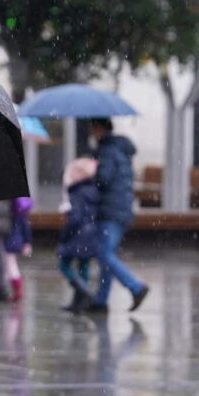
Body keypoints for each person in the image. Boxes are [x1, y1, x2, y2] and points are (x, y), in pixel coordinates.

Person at [87, 118, 150, 313]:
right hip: (121, 209)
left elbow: (103, 180)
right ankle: (101, 300)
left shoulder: (108, 151)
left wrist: (91, 172)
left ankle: (135, 287)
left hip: (110, 210)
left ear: (99, 128)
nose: (90, 132)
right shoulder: (121, 149)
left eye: (92, 128)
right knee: (107, 255)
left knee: (103, 254)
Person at [57, 157, 101, 313]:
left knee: (64, 265)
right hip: (91, 233)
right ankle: (78, 303)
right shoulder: (93, 190)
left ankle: (85, 293)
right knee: (83, 266)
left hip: (78, 234)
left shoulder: (77, 193)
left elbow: (75, 217)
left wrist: (64, 234)